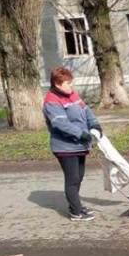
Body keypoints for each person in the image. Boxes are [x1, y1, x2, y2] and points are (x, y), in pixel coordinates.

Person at [43, 67, 102, 222]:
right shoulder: (52, 101)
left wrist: (95, 125)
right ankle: (76, 212)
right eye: (67, 83)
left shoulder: (73, 94)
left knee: (79, 176)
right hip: (65, 146)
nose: (71, 86)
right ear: (57, 83)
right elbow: (60, 124)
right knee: (73, 178)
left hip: (80, 145)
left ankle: (75, 205)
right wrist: (82, 134)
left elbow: (86, 110)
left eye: (71, 82)